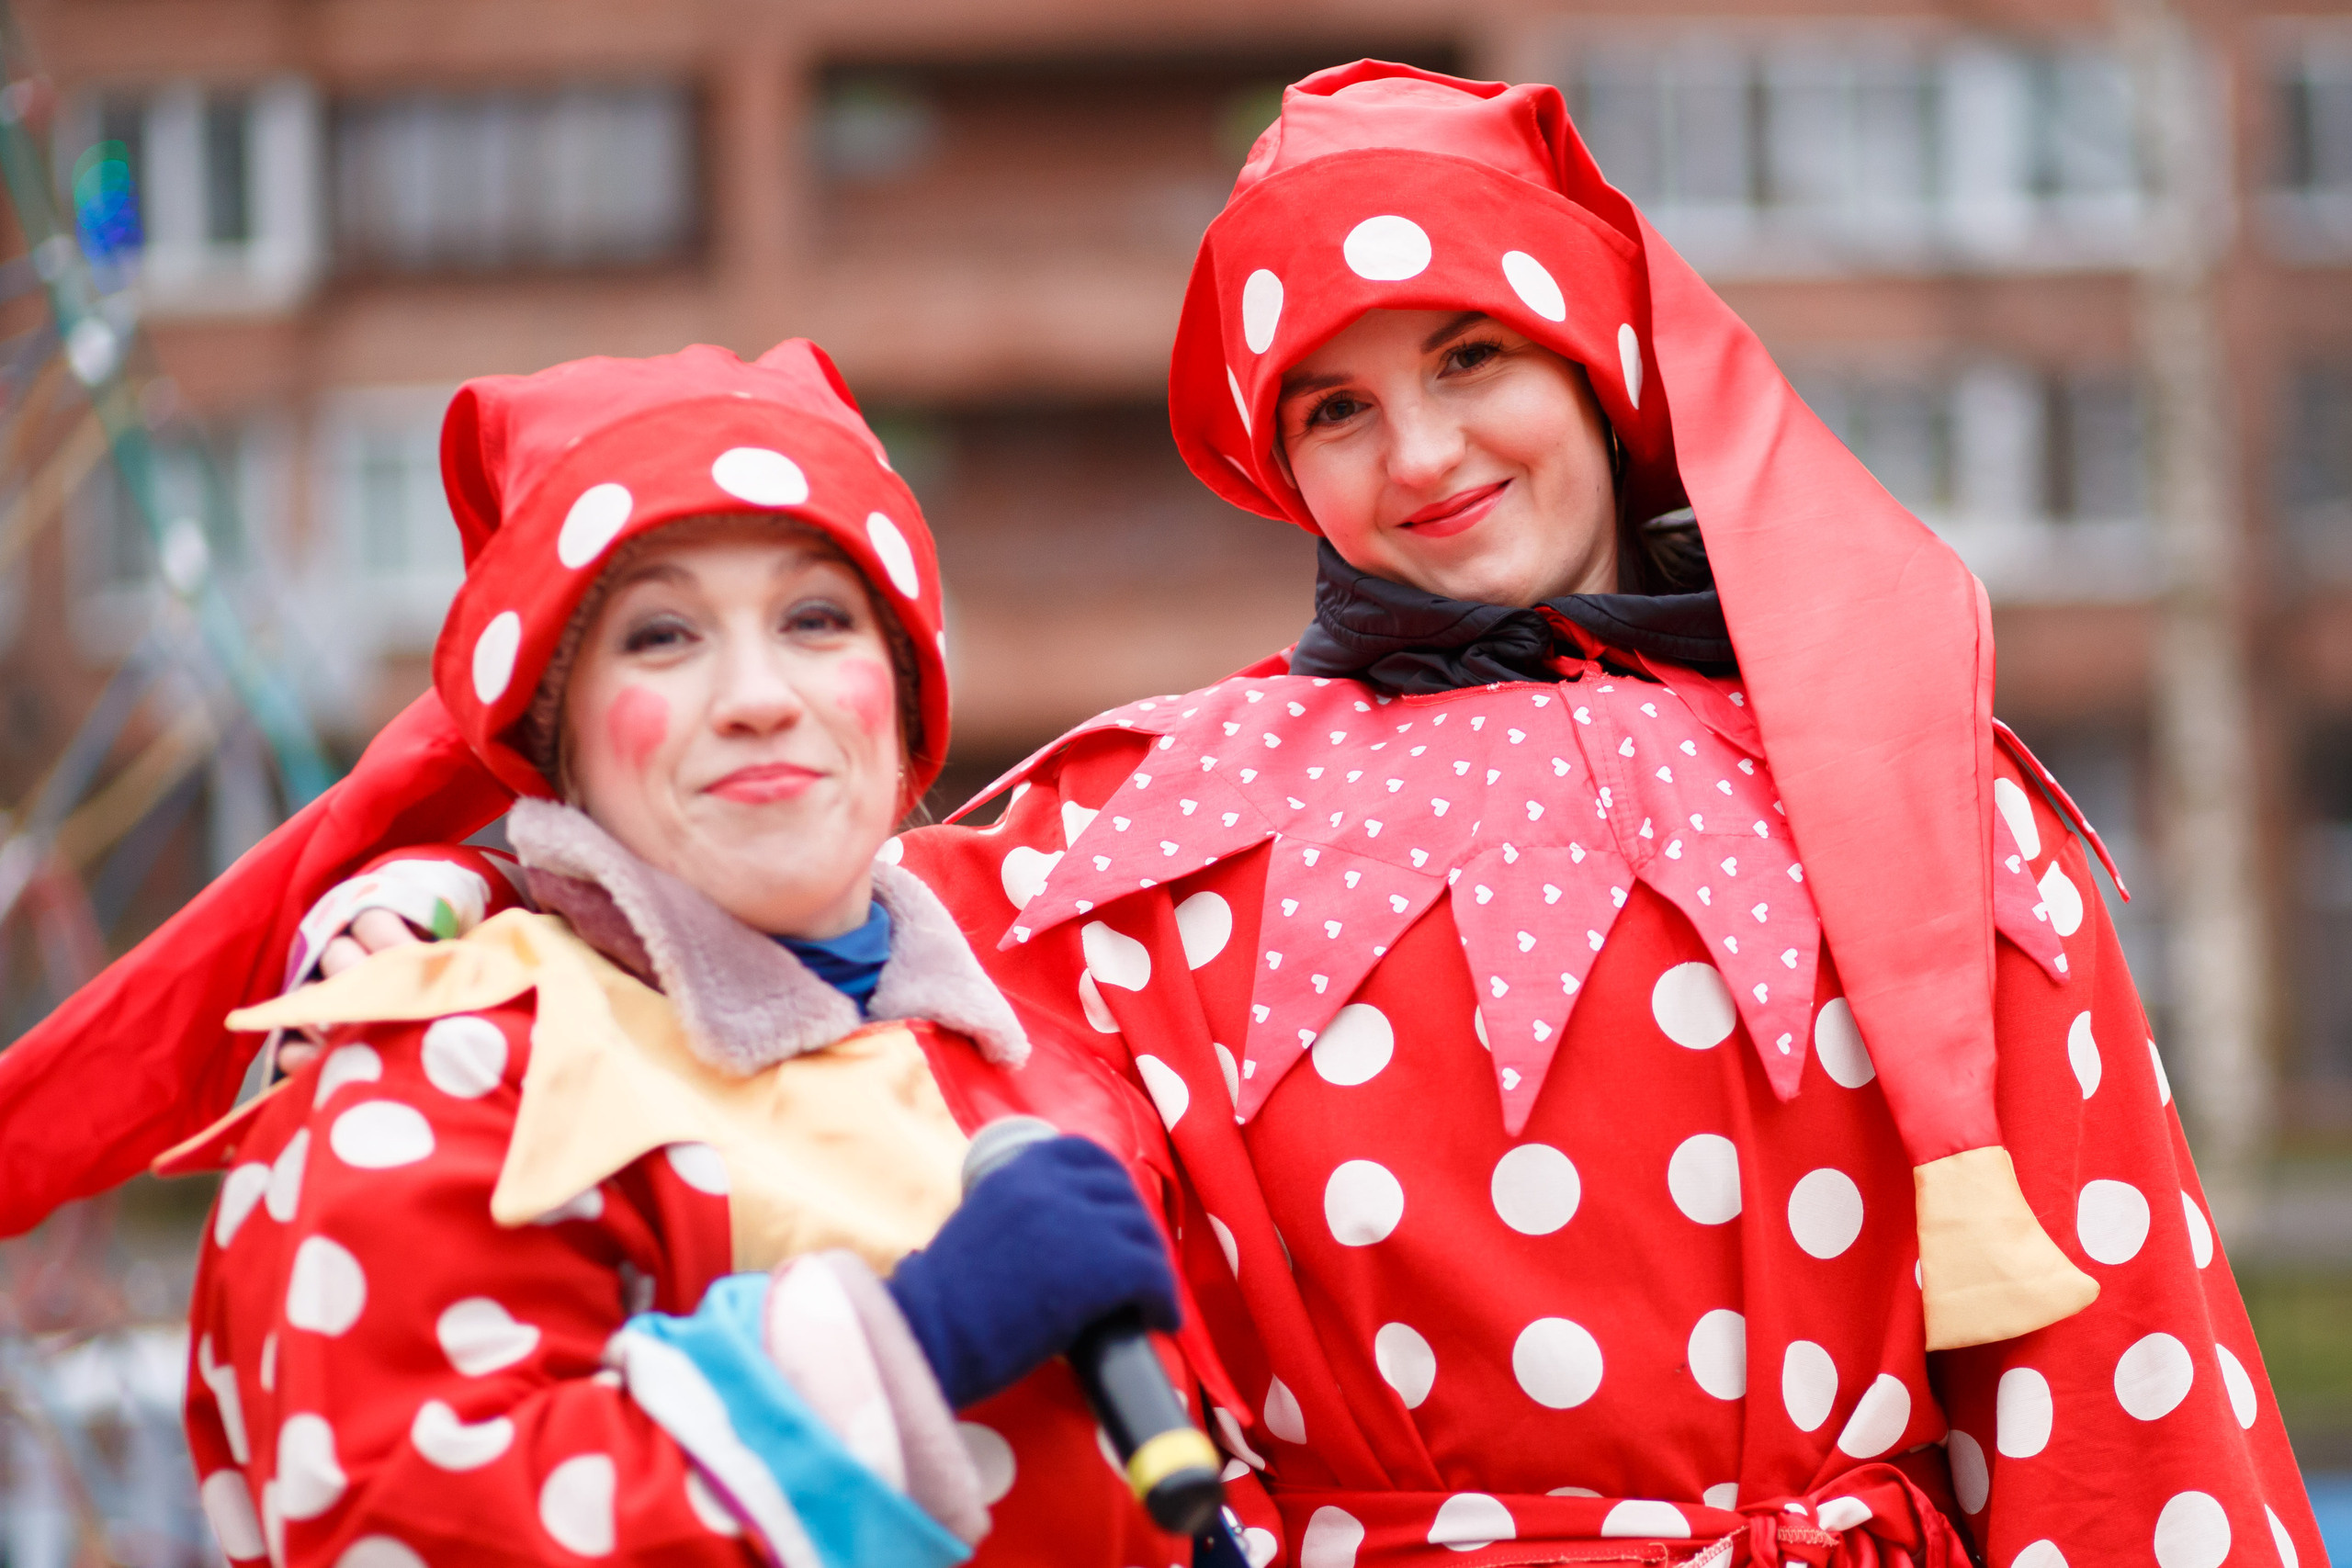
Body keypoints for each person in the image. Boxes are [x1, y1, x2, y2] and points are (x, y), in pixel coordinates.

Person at [1, 62, 2328, 1568]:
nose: (1415, 455)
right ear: (1273, 458)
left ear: (1597, 372)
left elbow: (2118, 1388)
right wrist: (460, 908)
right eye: (1334, 403)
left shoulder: (1923, 807)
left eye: (1471, 360)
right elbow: (762, 952)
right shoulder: (1127, 838)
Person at [17, 341, 1203, 1566]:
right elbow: (406, 1523)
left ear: (901, 702)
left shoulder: (1042, 1033)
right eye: (661, 637)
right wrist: (908, 1344)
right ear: (556, 741)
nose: (756, 694)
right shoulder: (441, 1071)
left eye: (814, 618)